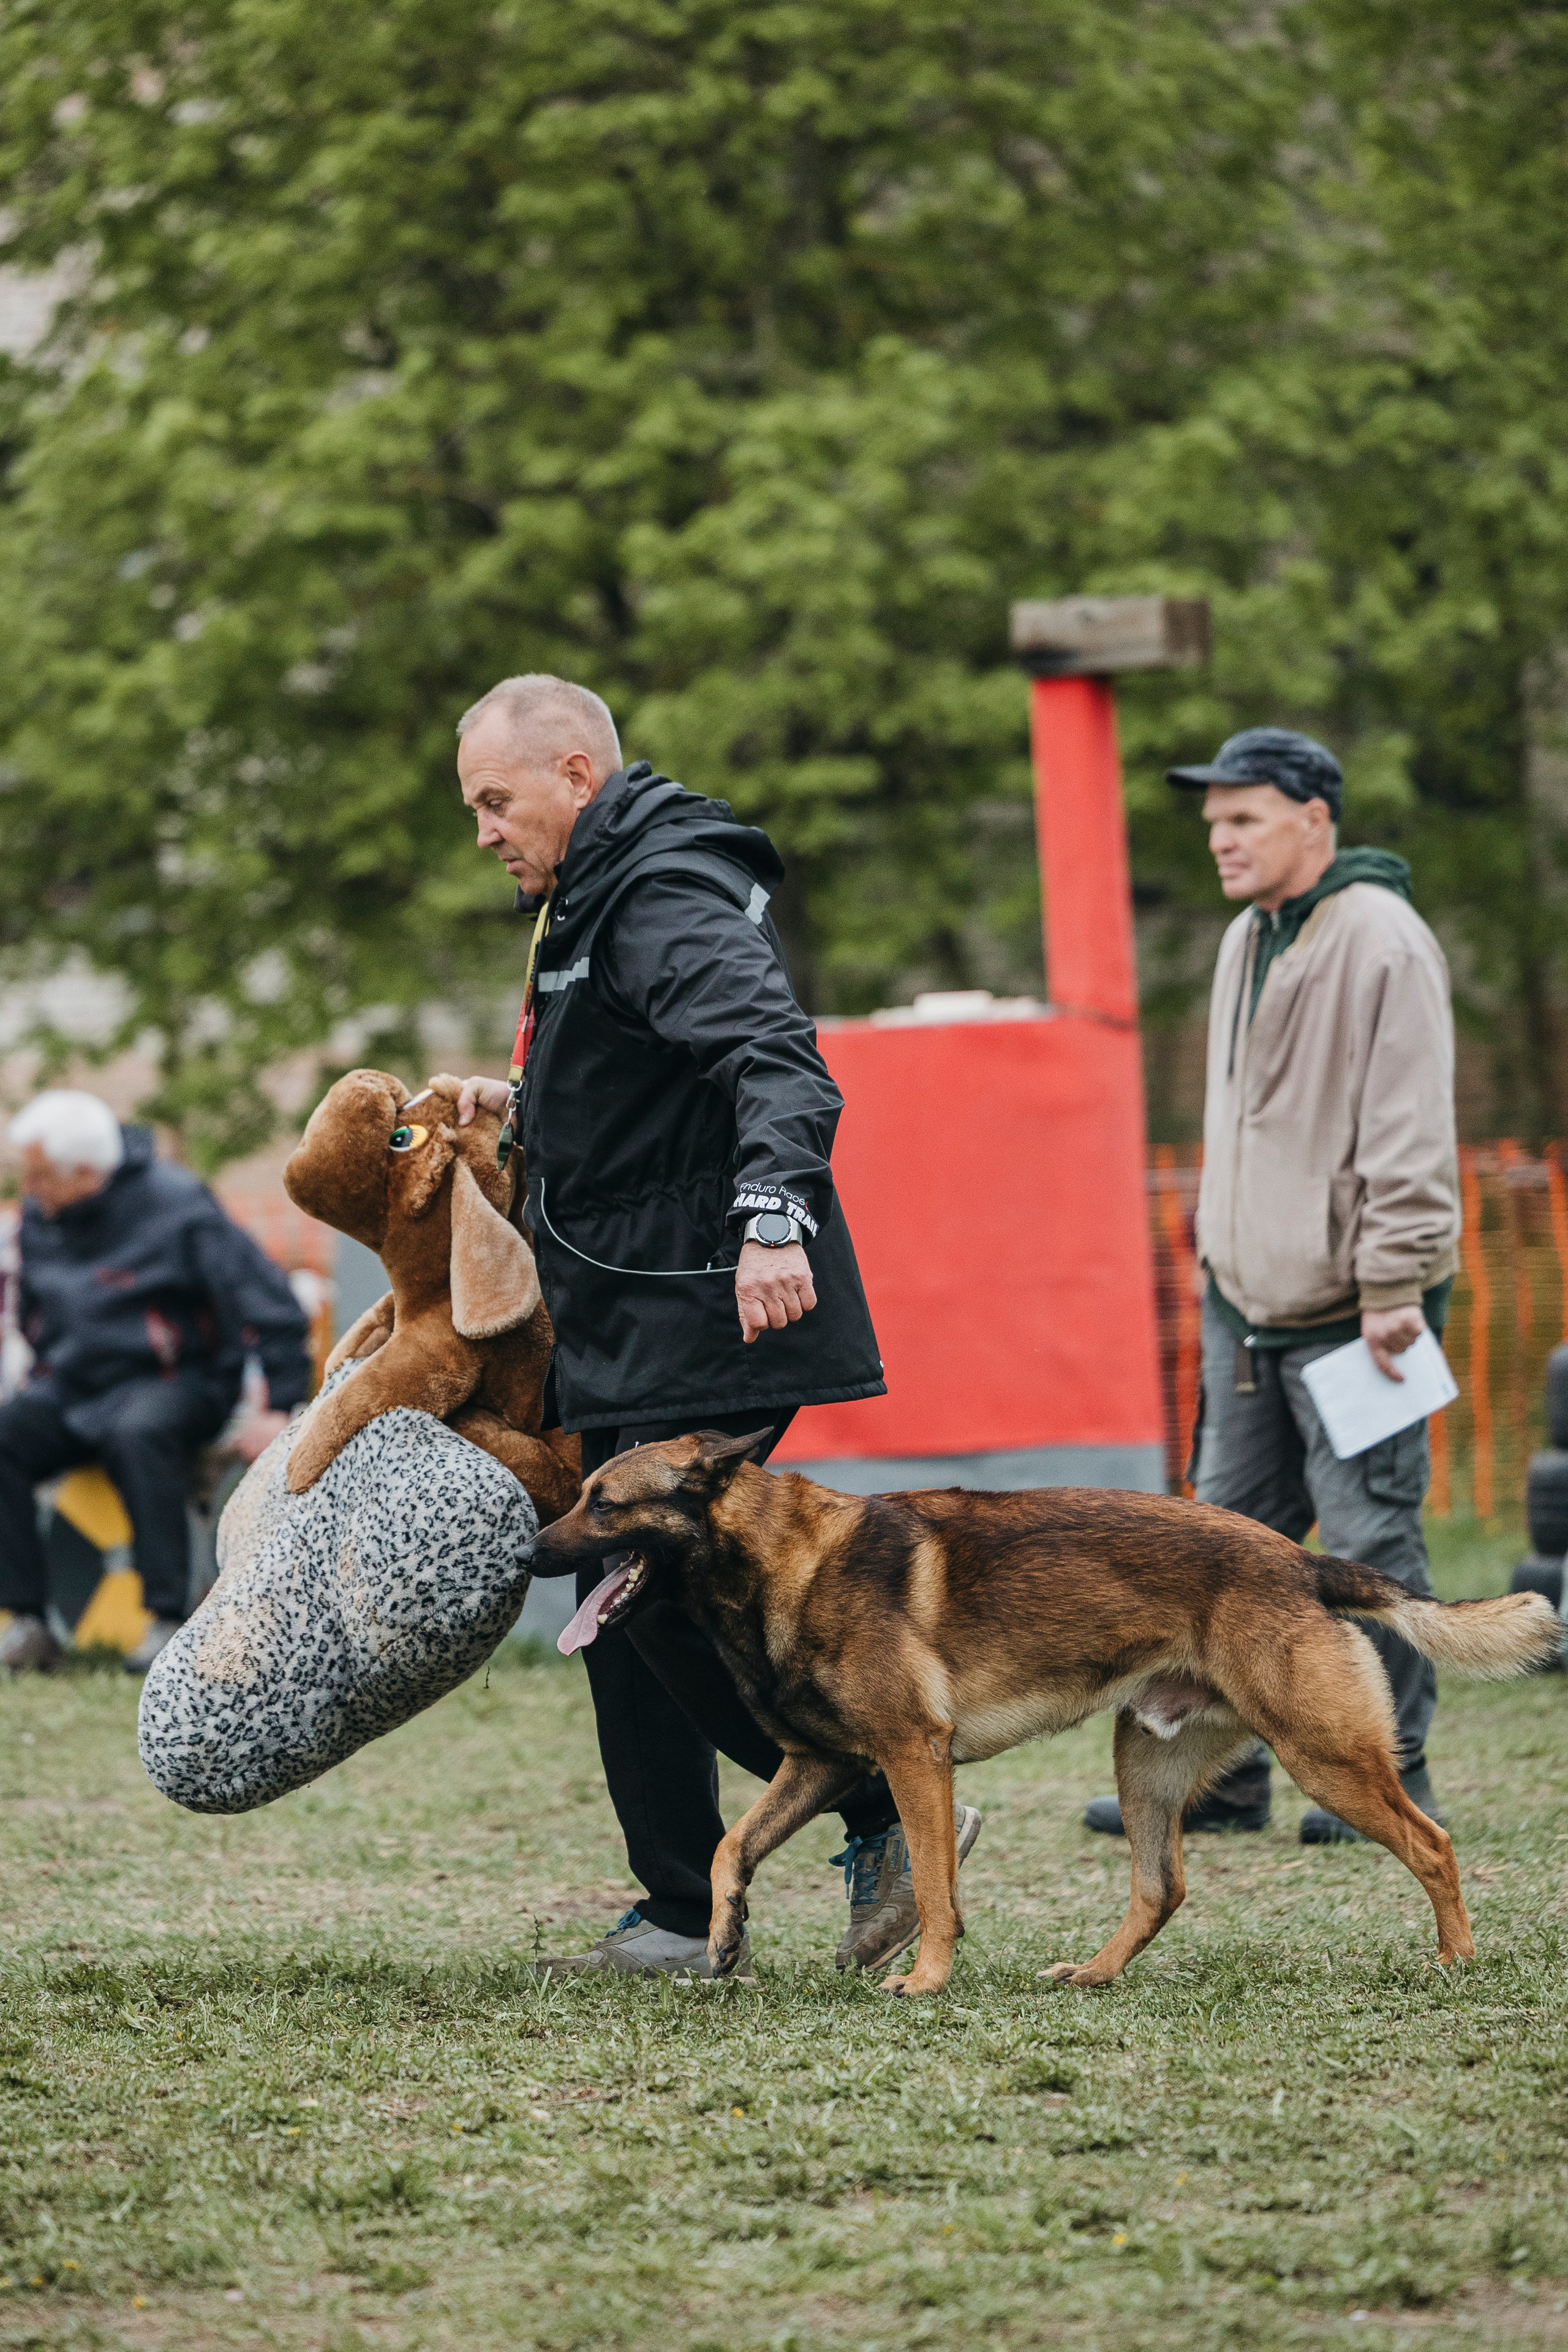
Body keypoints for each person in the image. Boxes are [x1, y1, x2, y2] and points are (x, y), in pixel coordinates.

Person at [453, 673, 982, 1976]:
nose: (482, 831)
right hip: (627, 1314)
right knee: (621, 1605)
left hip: (709, 1308)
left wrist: (768, 1221)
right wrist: (520, 1115)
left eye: (494, 799)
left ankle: (882, 1808)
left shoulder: (660, 888)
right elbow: (643, 1090)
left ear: (577, 775)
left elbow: (773, 1059)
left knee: (655, 1597)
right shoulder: (590, 899)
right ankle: (683, 1913)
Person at [1084, 728, 1460, 1844]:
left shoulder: (1383, 937)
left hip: (1361, 1315)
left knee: (1369, 1548)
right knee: (1210, 1557)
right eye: (1213, 826)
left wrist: (1394, 1278)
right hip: (1248, 1311)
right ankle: (1223, 1783)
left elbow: (1408, 1128)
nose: (1222, 843)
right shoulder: (1250, 935)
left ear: (1315, 819)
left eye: (1244, 820)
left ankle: (1399, 1781)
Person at [0, 1091, 312, 1675]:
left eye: (40, 1176)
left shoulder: (178, 1206)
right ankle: (27, 1623)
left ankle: (167, 1620)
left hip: (180, 1379)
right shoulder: (42, 1215)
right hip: (74, 1384)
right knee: (5, 1433)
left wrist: (281, 1404)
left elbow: (270, 1303)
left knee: (137, 1431)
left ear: (87, 1172)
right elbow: (33, 1311)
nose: (29, 1189)